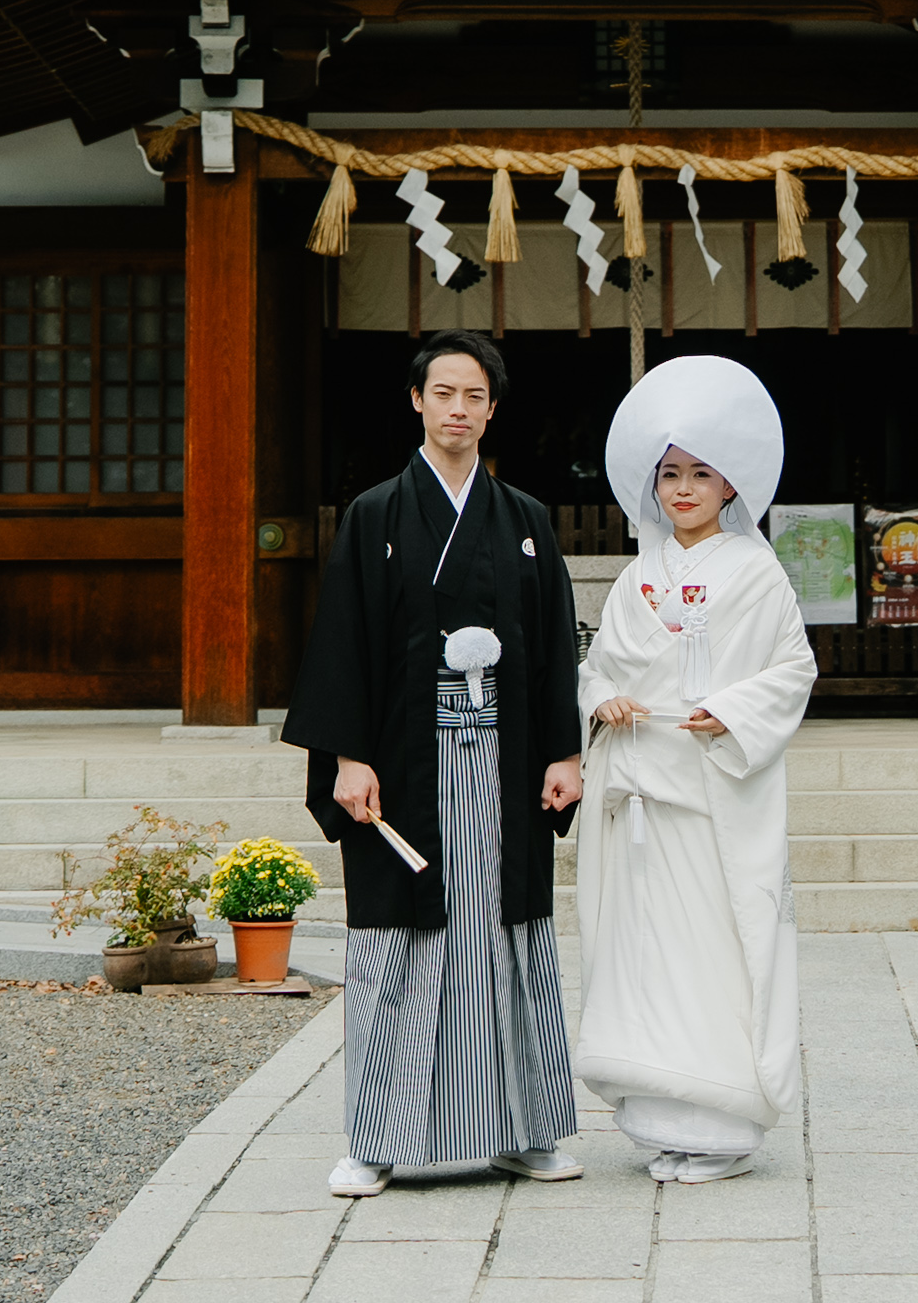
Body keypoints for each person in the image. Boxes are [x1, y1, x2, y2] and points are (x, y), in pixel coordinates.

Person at [284, 330, 587, 1199]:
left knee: (505, 933)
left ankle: (523, 1129)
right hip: (405, 766)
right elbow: (342, 641)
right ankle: (375, 1139)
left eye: (474, 395)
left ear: (494, 409)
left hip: (505, 759)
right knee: (400, 937)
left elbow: (553, 644)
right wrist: (347, 757)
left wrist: (563, 750)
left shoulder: (525, 520)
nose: (458, 409)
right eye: (443, 393)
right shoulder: (376, 514)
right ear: (416, 401)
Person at [573, 353, 819, 1185]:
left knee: (712, 950)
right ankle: (657, 1117)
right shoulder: (637, 576)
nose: (682, 489)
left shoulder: (756, 571)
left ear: (729, 488)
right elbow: (598, 663)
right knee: (645, 953)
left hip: (710, 791)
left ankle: (720, 1124)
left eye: (701, 474)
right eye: (670, 473)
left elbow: (792, 671)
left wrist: (736, 711)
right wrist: (603, 697)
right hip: (639, 789)